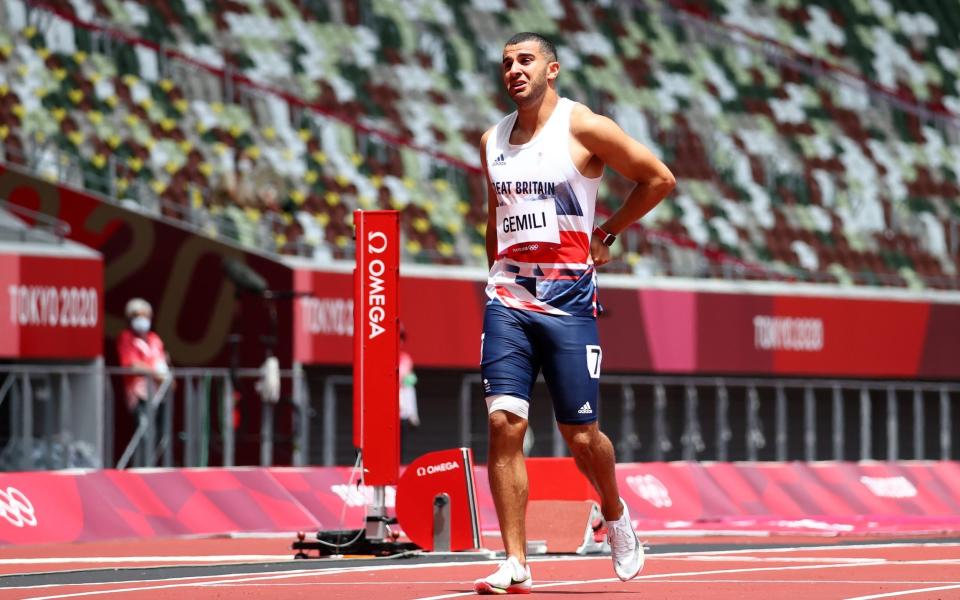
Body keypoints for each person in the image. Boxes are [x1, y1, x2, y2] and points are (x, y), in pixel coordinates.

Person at [473, 32, 676, 594]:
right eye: (507, 62)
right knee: (502, 423)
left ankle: (614, 513)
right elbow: (496, 216)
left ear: (552, 70)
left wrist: (607, 231)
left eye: (525, 60)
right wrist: (498, 275)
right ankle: (515, 561)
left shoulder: (582, 125)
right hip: (509, 300)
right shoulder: (491, 140)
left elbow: (658, 178)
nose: (514, 69)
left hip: (567, 303)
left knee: (580, 435)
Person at [116, 298, 172, 464]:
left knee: (161, 435)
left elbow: (162, 362)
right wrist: (156, 373)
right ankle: (140, 469)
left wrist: (167, 377)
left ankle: (152, 466)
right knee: (145, 433)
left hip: (159, 393)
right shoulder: (126, 338)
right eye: (138, 316)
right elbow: (133, 365)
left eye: (146, 316)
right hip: (139, 395)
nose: (143, 320)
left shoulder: (154, 339)